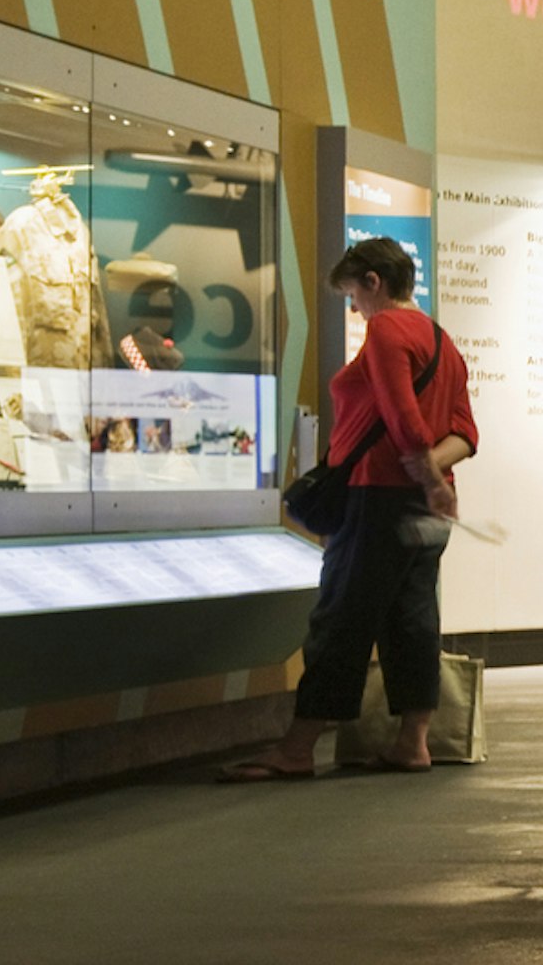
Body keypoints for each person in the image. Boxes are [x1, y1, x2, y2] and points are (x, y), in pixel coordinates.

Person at [224, 239, 479, 780]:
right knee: (413, 618)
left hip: (376, 496)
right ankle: (413, 741)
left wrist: (425, 476)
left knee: (342, 616)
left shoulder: (386, 329)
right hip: (422, 504)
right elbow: (465, 431)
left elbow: (401, 415)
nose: (355, 309)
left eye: (352, 296)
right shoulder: (441, 338)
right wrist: (437, 483)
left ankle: (297, 749)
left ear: (372, 282)